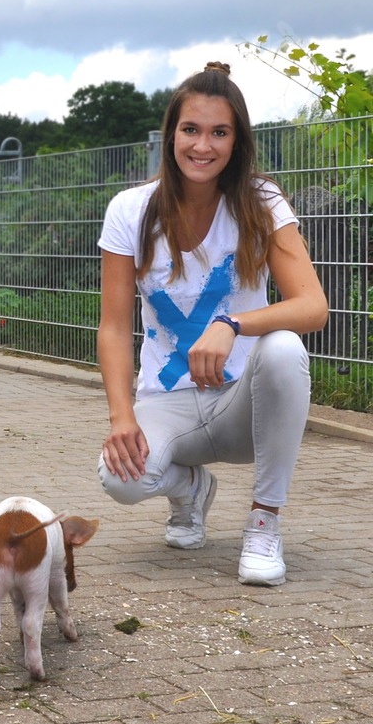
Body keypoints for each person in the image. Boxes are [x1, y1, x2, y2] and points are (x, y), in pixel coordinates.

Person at [96, 62, 328, 586]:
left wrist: (232, 323)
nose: (203, 146)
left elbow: (313, 305)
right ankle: (191, 492)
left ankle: (264, 524)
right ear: (171, 135)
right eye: (191, 130)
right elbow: (113, 327)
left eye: (219, 132)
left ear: (236, 140)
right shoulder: (130, 212)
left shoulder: (262, 203)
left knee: (284, 347)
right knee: (119, 478)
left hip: (243, 407)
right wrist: (121, 418)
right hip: (165, 401)